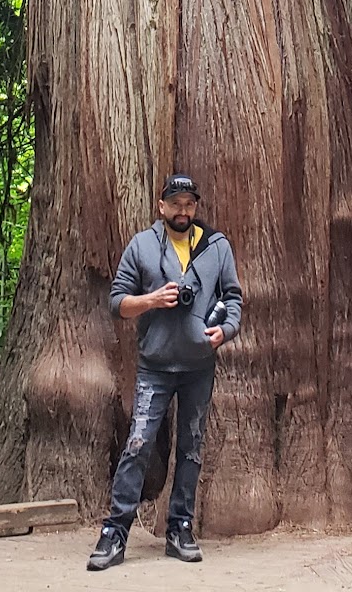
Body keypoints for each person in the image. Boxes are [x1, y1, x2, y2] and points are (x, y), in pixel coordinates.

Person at [86, 173, 243, 572]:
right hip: (155, 366)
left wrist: (225, 330)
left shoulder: (216, 246)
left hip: (198, 367)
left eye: (189, 204)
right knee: (138, 444)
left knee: (191, 447)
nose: (182, 211)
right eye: (175, 204)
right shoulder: (142, 245)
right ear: (162, 207)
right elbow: (117, 302)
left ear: (195, 207)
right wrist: (152, 300)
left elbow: (233, 297)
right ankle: (115, 531)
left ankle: (180, 528)